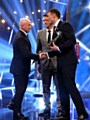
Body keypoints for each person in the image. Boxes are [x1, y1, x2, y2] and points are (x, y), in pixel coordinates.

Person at [46, 8, 88, 120]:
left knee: (70, 87)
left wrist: (59, 48)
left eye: (49, 15)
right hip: (60, 63)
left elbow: (72, 40)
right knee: (62, 89)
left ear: (54, 16)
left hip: (68, 62)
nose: (48, 18)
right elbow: (56, 49)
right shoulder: (56, 29)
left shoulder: (65, 25)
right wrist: (46, 54)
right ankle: (64, 114)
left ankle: (82, 112)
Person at [7, 18, 46, 120]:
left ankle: (13, 104)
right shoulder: (20, 37)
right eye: (28, 25)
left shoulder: (22, 35)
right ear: (22, 26)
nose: (30, 26)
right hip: (19, 68)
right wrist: (38, 57)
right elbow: (26, 54)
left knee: (21, 90)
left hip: (21, 68)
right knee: (20, 90)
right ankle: (17, 112)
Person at [36, 14, 61, 117]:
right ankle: (47, 107)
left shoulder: (58, 32)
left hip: (56, 63)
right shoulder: (40, 33)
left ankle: (60, 108)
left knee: (58, 87)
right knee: (45, 87)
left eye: (46, 20)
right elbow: (38, 49)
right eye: (43, 20)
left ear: (51, 20)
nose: (45, 22)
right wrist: (39, 63)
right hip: (44, 64)